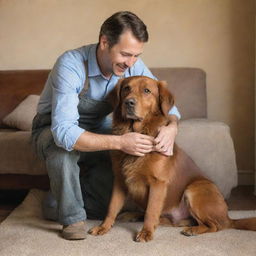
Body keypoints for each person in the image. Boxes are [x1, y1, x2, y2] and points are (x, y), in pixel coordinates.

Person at [32, 11, 180, 240]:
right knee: (62, 153)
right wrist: (120, 142)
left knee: (113, 198)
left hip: (99, 130)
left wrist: (172, 128)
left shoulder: (133, 65)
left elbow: (167, 107)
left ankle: (59, 199)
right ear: (104, 42)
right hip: (53, 131)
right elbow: (64, 132)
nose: (131, 63)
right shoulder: (71, 64)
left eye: (136, 56)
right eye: (125, 54)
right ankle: (72, 218)